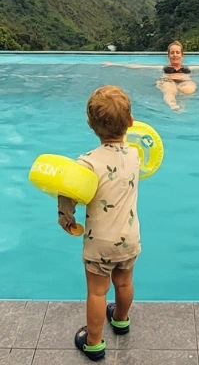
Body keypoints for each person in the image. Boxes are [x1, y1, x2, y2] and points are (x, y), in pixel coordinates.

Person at [57, 85, 141, 361]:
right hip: (129, 238)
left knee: (97, 291)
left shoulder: (88, 163)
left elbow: (68, 192)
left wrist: (65, 216)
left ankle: (93, 342)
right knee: (124, 282)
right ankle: (120, 319)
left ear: (91, 125)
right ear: (130, 121)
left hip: (99, 243)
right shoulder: (135, 155)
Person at [102, 41, 199, 110]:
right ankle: (173, 105)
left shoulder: (189, 69)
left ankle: (183, 105)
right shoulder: (164, 69)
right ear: (168, 55)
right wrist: (112, 64)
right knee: (169, 89)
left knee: (189, 88)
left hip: (184, 82)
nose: (175, 55)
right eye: (172, 52)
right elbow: (137, 66)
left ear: (182, 55)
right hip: (167, 81)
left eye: (177, 52)